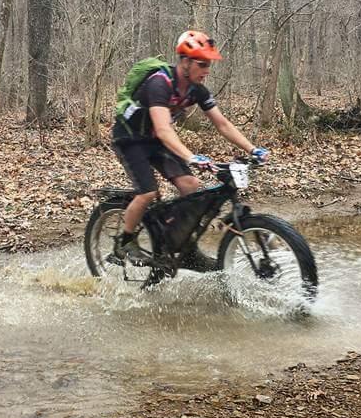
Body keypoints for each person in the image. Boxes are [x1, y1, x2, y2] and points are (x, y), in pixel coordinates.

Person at [112, 30, 269, 263]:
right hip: (130, 139)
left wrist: (252, 149)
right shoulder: (160, 83)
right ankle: (124, 242)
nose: (206, 71)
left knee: (191, 185)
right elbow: (165, 130)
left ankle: (182, 245)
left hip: (155, 140)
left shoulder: (197, 90)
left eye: (209, 65)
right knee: (148, 192)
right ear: (185, 62)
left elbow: (222, 124)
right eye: (202, 64)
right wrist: (192, 157)